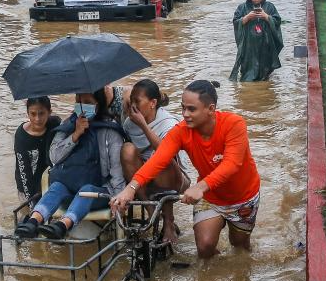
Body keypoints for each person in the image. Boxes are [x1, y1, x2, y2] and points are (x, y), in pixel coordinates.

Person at [111, 80, 261, 259]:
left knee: (240, 248)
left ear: (211, 109)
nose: (185, 114)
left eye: (192, 109)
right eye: (183, 108)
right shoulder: (181, 131)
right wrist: (130, 189)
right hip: (211, 197)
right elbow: (158, 160)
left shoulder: (234, 124)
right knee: (204, 248)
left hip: (242, 197)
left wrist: (200, 186)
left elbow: (232, 165)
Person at [19, 90, 126, 240]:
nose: (82, 107)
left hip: (98, 190)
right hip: (69, 186)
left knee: (86, 191)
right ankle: (32, 222)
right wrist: (75, 135)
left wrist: (119, 199)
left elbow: (117, 172)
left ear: (98, 104)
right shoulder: (68, 124)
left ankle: (63, 226)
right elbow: (54, 157)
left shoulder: (109, 131)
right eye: (78, 101)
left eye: (87, 103)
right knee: (56, 187)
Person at [120, 79, 192, 245]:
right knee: (127, 149)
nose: (133, 105)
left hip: (172, 177)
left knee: (160, 160)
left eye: (137, 101)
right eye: (131, 101)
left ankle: (168, 221)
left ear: (152, 103)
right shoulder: (129, 124)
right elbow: (130, 157)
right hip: (142, 179)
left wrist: (144, 126)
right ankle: (152, 213)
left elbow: (165, 153)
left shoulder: (169, 123)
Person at [13, 97, 62, 230]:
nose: (37, 119)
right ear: (27, 113)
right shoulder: (21, 136)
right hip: (27, 187)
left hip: (50, 182)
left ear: (49, 112)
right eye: (33, 114)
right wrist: (32, 204)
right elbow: (24, 173)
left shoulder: (55, 125)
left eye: (42, 114)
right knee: (30, 222)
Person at [230, 0, 284, 82]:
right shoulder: (242, 7)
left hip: (265, 43)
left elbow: (277, 21)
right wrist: (246, 18)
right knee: (248, 69)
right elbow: (236, 22)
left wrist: (267, 17)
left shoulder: (269, 7)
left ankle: (264, 79)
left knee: (265, 68)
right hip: (248, 45)